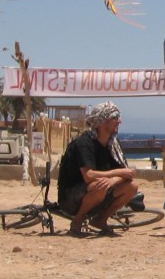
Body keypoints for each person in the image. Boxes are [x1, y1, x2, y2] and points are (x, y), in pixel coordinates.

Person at [56, 101, 140, 236]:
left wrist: (113, 180)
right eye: (115, 117)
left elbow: (128, 173)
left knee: (132, 187)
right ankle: (77, 220)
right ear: (103, 122)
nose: (119, 121)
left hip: (99, 193)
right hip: (72, 197)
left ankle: (101, 220)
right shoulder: (84, 143)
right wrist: (117, 174)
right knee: (100, 185)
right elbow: (89, 175)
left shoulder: (113, 145)